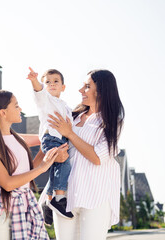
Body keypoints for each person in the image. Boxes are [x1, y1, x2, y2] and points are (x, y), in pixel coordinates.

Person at [47, 69, 125, 239]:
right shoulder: (72, 116)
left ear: (102, 91)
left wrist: (70, 134)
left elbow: (98, 157)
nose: (81, 90)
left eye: (87, 86)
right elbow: (47, 138)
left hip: (96, 196)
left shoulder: (113, 122)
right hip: (64, 196)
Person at [0, 90, 57, 240]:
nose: (20, 109)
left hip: (24, 203)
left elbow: (28, 172)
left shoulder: (18, 139)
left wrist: (48, 150)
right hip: (1, 207)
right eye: (16, 106)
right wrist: (43, 167)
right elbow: (8, 184)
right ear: (3, 113)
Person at [27, 67, 73, 224]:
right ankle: (59, 198)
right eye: (48, 82)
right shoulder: (45, 100)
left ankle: (48, 201)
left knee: (56, 169)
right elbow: (39, 93)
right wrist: (35, 81)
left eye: (56, 82)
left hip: (62, 139)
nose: (52, 84)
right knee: (63, 164)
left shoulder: (66, 106)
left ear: (63, 87)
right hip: (51, 138)